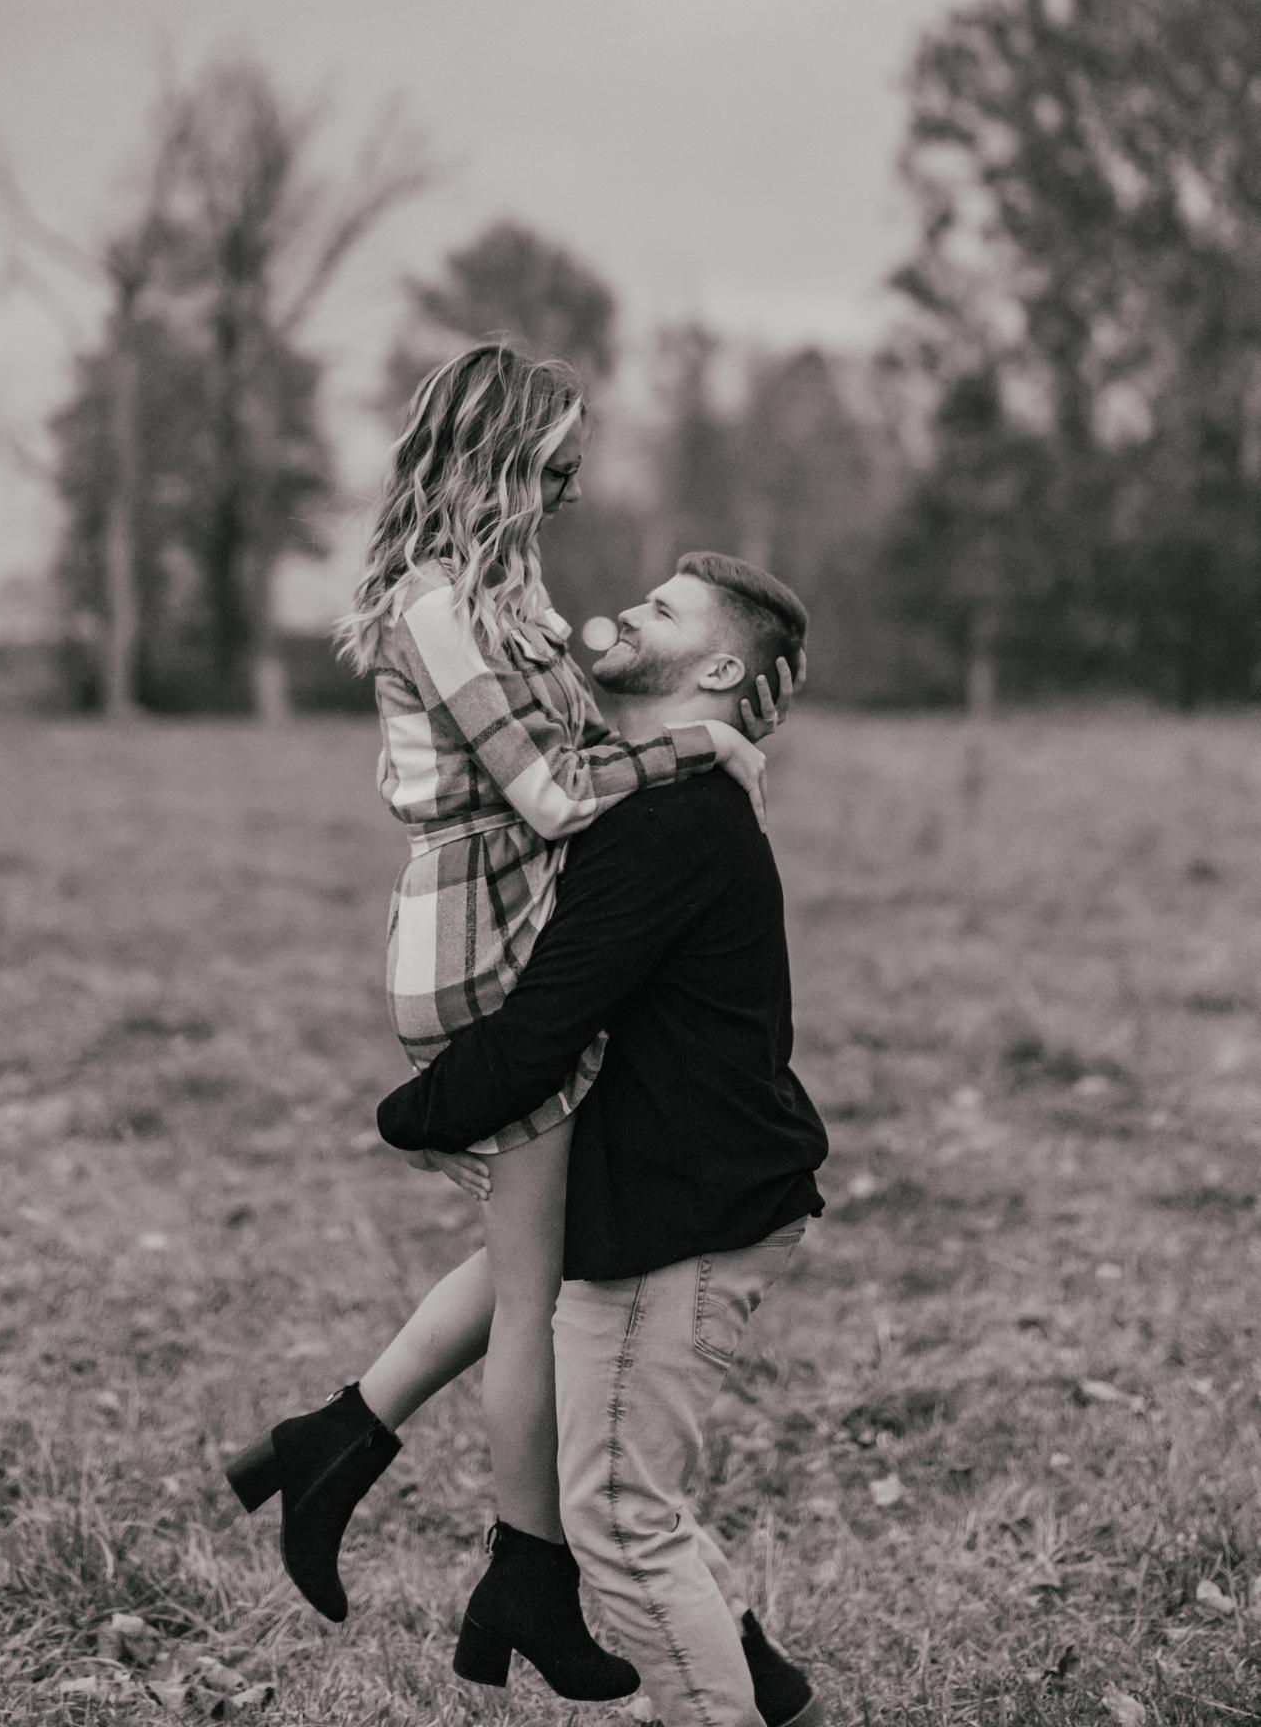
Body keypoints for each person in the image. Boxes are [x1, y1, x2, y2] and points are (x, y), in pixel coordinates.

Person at [223, 344, 785, 1704]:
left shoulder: (507, 588)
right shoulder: (432, 602)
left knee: (541, 1245)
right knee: (538, 1290)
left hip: (516, 920)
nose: (572, 489)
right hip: (476, 947)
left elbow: (589, 742)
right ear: (494, 457)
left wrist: (711, 698)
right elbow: (547, 793)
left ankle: (338, 1442)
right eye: (556, 465)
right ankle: (526, 1573)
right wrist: (697, 746)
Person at [377, 551, 828, 1727]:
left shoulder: (667, 823)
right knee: (627, 1497)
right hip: (653, 1202)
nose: (628, 609)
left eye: (664, 611)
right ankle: (769, 1696)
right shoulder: (645, 792)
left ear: (721, 666)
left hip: (678, 1219)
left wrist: (405, 1113)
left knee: (621, 1521)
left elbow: (539, 1032)